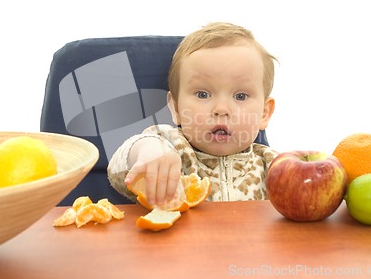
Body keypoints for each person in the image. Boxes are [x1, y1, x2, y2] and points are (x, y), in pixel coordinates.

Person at [107, 22, 279, 206]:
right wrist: (147, 152)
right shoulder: (170, 146)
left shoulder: (273, 166)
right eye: (203, 94)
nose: (221, 109)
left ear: (263, 114)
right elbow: (116, 171)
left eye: (241, 96)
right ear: (176, 108)